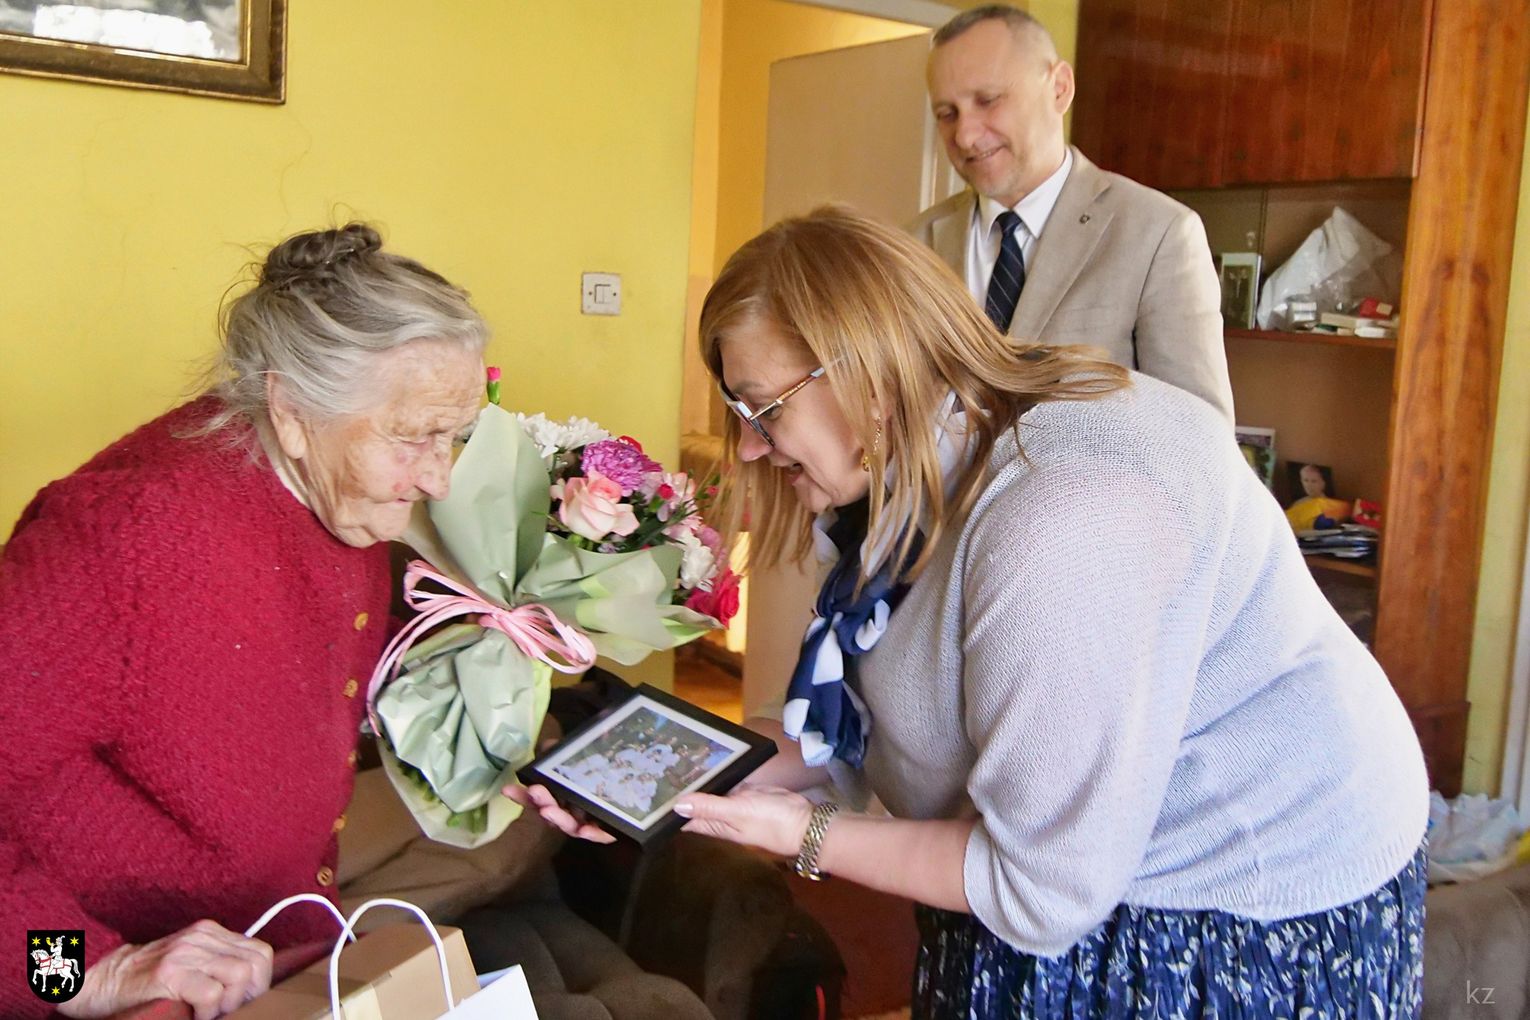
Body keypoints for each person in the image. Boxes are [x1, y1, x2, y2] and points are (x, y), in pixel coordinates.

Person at [523, 206, 1429, 1018]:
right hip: (1041, 868)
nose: (751, 447)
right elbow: (864, 717)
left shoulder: (1060, 522)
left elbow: (1042, 890)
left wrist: (799, 834)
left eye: (763, 410)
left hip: (1226, 900)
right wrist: (693, 781)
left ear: (871, 377)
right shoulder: (901, 466)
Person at [0, 223, 488, 1020]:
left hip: (279, 937)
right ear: (290, 409)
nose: (440, 478)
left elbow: (290, 656)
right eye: (413, 437)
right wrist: (85, 973)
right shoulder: (125, 539)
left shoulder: (332, 491)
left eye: (455, 437)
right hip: (140, 983)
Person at [909, 4, 1235, 424]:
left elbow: (1201, 435)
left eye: (988, 101)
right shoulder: (913, 244)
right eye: (946, 114)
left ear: (1060, 88)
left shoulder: (1158, 234)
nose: (966, 135)